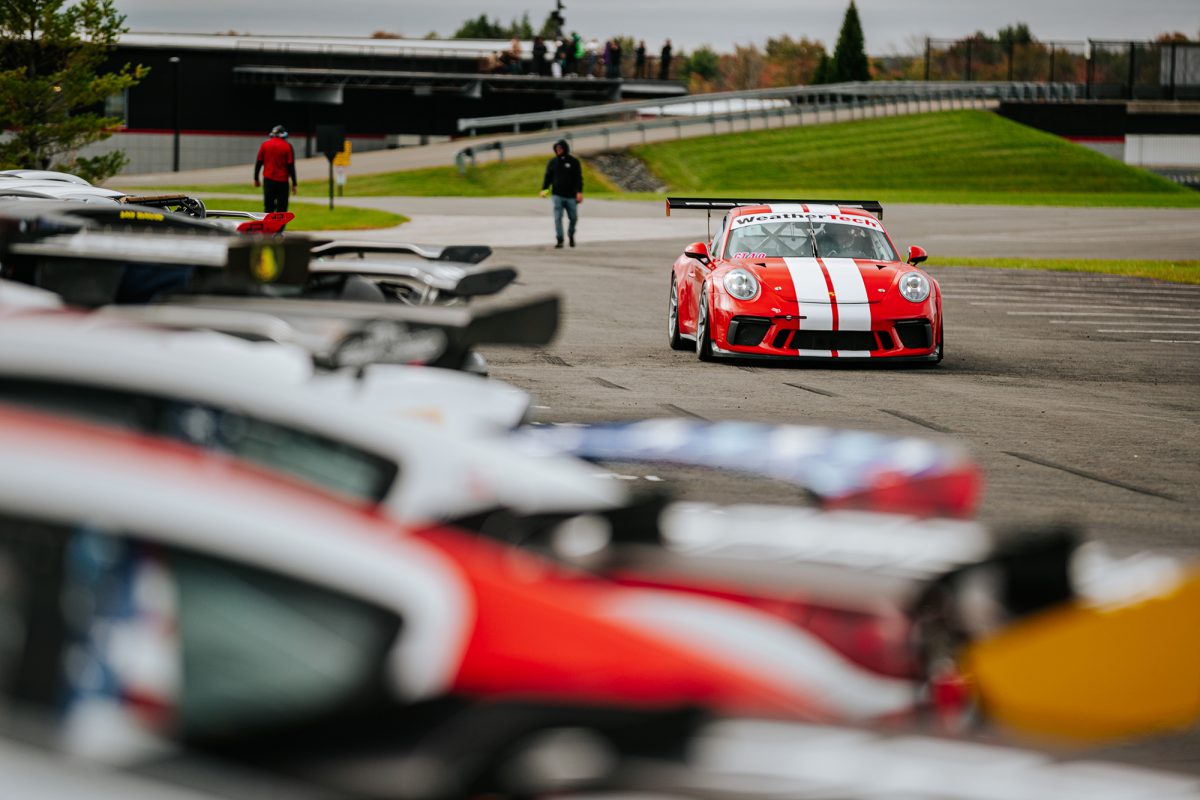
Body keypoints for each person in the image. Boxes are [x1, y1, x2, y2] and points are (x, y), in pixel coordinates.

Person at [539, 139, 582, 248]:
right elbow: (548, 177)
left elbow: (578, 178)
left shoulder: (573, 162)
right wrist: (545, 190)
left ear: (565, 149)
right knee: (558, 217)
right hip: (557, 195)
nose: (558, 150)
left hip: (571, 196)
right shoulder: (552, 162)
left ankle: (571, 234)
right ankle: (560, 239)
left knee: (573, 218)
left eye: (560, 148)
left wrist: (579, 192)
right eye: (556, 149)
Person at [253, 124, 297, 213]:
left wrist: (256, 178)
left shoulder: (265, 145)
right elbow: (291, 166)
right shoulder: (287, 146)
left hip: (268, 180)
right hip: (282, 181)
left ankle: (269, 226)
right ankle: (279, 227)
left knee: (268, 206)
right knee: (282, 207)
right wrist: (294, 183)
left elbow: (259, 163)